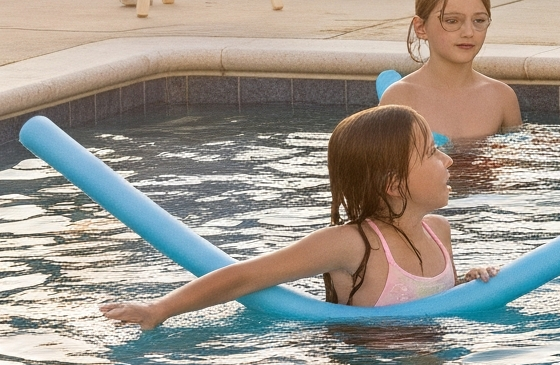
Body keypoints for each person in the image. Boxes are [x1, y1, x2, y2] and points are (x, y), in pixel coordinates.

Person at [100, 105, 495, 325]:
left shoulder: (438, 231)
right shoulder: (353, 244)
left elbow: (431, 302)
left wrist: (467, 282)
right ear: (393, 183)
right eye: (431, 153)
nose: (447, 160)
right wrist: (160, 309)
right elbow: (247, 275)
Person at [382, 0, 522, 140]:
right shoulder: (400, 98)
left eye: (479, 20)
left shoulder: (501, 97)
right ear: (421, 27)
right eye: (452, 21)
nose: (468, 32)